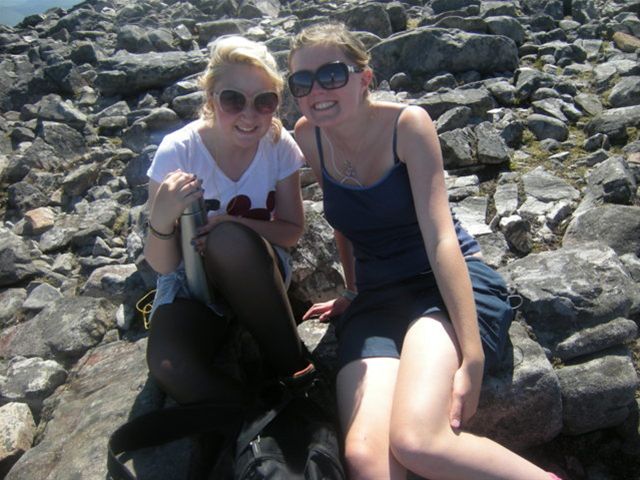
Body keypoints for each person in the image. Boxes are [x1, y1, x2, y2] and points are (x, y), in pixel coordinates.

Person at [288, 23, 562, 480]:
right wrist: (352, 290)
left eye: (332, 74)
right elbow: (344, 221)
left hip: (443, 284)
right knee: (364, 460)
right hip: (377, 300)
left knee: (417, 441)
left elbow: (441, 239)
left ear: (364, 78)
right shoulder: (309, 135)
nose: (317, 90)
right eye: (302, 82)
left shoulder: (407, 125)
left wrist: (472, 358)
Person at [144, 35, 314, 407]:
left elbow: (291, 231)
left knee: (230, 241)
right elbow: (164, 264)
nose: (249, 115)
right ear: (211, 98)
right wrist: (160, 217)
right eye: (233, 100)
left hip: (253, 270)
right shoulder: (179, 151)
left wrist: (230, 223)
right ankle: (259, 413)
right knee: (170, 366)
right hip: (192, 284)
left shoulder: (278, 145)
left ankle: (296, 373)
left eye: (264, 102)